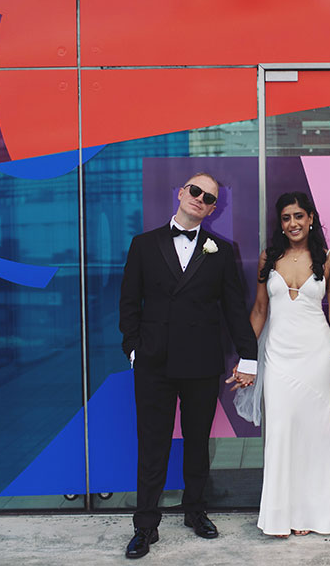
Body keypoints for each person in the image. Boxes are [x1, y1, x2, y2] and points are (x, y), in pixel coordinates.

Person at [119, 172, 258, 559]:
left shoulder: (222, 249)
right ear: (181, 193)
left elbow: (234, 309)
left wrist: (249, 356)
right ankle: (145, 525)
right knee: (152, 444)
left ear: (214, 208)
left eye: (209, 197)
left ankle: (195, 511)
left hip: (200, 362)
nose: (200, 198)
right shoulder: (144, 244)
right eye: (195, 191)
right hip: (154, 363)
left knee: (197, 443)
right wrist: (133, 350)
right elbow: (129, 302)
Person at [236, 191, 330, 537]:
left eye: (299, 216)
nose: (293, 223)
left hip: (316, 356)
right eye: (286, 218)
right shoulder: (267, 258)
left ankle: (309, 515)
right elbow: (259, 311)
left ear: (311, 218)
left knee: (314, 434)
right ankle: (278, 515)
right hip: (278, 356)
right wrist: (247, 358)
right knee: (280, 431)